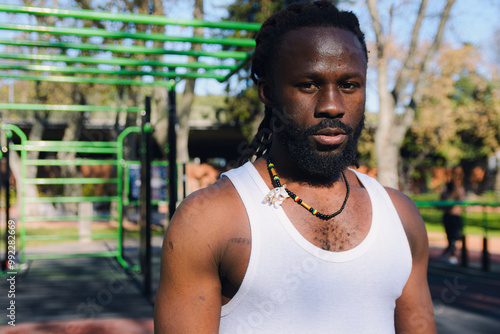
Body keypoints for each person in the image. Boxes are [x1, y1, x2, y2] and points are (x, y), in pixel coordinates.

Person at [154, 2, 436, 333]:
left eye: (349, 85)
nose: (332, 105)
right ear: (268, 92)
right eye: (308, 85)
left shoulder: (401, 217)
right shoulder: (209, 220)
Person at [440, 167, 466, 264]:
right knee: (451, 239)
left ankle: (449, 254)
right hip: (449, 217)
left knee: (457, 238)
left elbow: (461, 200)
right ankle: (449, 255)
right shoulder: (448, 189)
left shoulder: (459, 188)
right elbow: (444, 202)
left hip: (456, 217)